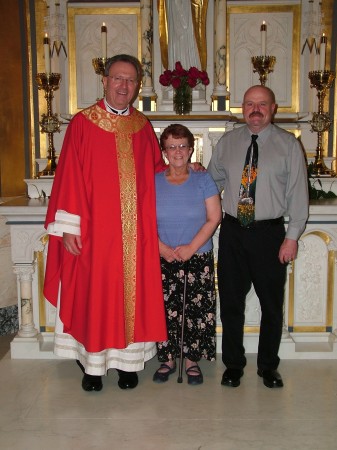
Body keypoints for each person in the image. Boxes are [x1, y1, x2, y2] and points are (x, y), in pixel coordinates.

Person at [43, 54, 168, 392]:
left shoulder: (143, 128)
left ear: (138, 85)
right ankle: (93, 367)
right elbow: (69, 175)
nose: (124, 86)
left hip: (135, 238)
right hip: (96, 235)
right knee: (96, 295)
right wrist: (70, 227)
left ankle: (129, 365)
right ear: (105, 81)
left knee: (133, 296)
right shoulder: (83, 123)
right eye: (118, 78)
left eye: (130, 80)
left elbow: (158, 176)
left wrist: (187, 173)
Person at [207, 85, 309, 389]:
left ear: (273, 108)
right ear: (242, 108)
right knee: (232, 302)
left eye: (262, 104)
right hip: (233, 232)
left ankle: (267, 366)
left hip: (270, 234)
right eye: (250, 103)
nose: (256, 109)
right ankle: (234, 365)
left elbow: (298, 195)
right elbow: (211, 183)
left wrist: (291, 237)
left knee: (271, 303)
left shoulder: (289, 145)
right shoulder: (227, 142)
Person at [153, 124, 222, 385]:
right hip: (164, 256)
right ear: (164, 151)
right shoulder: (154, 181)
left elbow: (215, 217)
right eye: (172, 146)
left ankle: (192, 360)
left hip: (197, 255)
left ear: (191, 150)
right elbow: (144, 220)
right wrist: (161, 247)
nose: (178, 151)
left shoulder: (203, 179)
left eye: (182, 146)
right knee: (165, 308)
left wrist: (191, 248)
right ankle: (168, 358)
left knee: (195, 310)